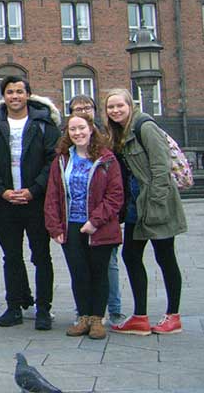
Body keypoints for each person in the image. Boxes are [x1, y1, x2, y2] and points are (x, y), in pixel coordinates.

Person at [104, 89, 187, 336]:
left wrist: (158, 204)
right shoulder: (119, 132)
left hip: (155, 201)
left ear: (130, 105)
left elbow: (161, 168)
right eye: (111, 107)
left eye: (120, 105)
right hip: (135, 205)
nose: (115, 110)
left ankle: (173, 316)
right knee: (130, 255)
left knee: (165, 257)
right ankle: (140, 316)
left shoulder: (144, 126)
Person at [0, 75, 61, 330]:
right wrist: (2, 190)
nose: (15, 96)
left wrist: (34, 189)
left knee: (41, 256)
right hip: (6, 201)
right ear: (3, 96)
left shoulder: (43, 124)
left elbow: (53, 161)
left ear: (28, 94)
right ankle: (14, 306)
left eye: (19, 91)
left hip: (35, 201)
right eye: (9, 92)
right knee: (11, 257)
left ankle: (43, 309)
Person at [44, 113, 124, 340]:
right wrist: (55, 226)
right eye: (72, 129)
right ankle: (84, 317)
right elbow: (53, 195)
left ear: (91, 130)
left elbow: (115, 196)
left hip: (99, 227)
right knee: (78, 273)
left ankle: (98, 318)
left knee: (99, 273)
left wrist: (94, 221)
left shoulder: (107, 159)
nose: (77, 133)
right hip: (71, 226)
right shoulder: (62, 160)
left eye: (81, 128)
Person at [68, 94, 125, 325]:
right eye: (77, 109)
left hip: (104, 218)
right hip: (75, 220)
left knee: (106, 266)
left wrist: (101, 218)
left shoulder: (108, 142)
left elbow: (115, 190)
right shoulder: (65, 156)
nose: (82, 111)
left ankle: (110, 312)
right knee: (81, 269)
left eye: (86, 108)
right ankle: (85, 313)